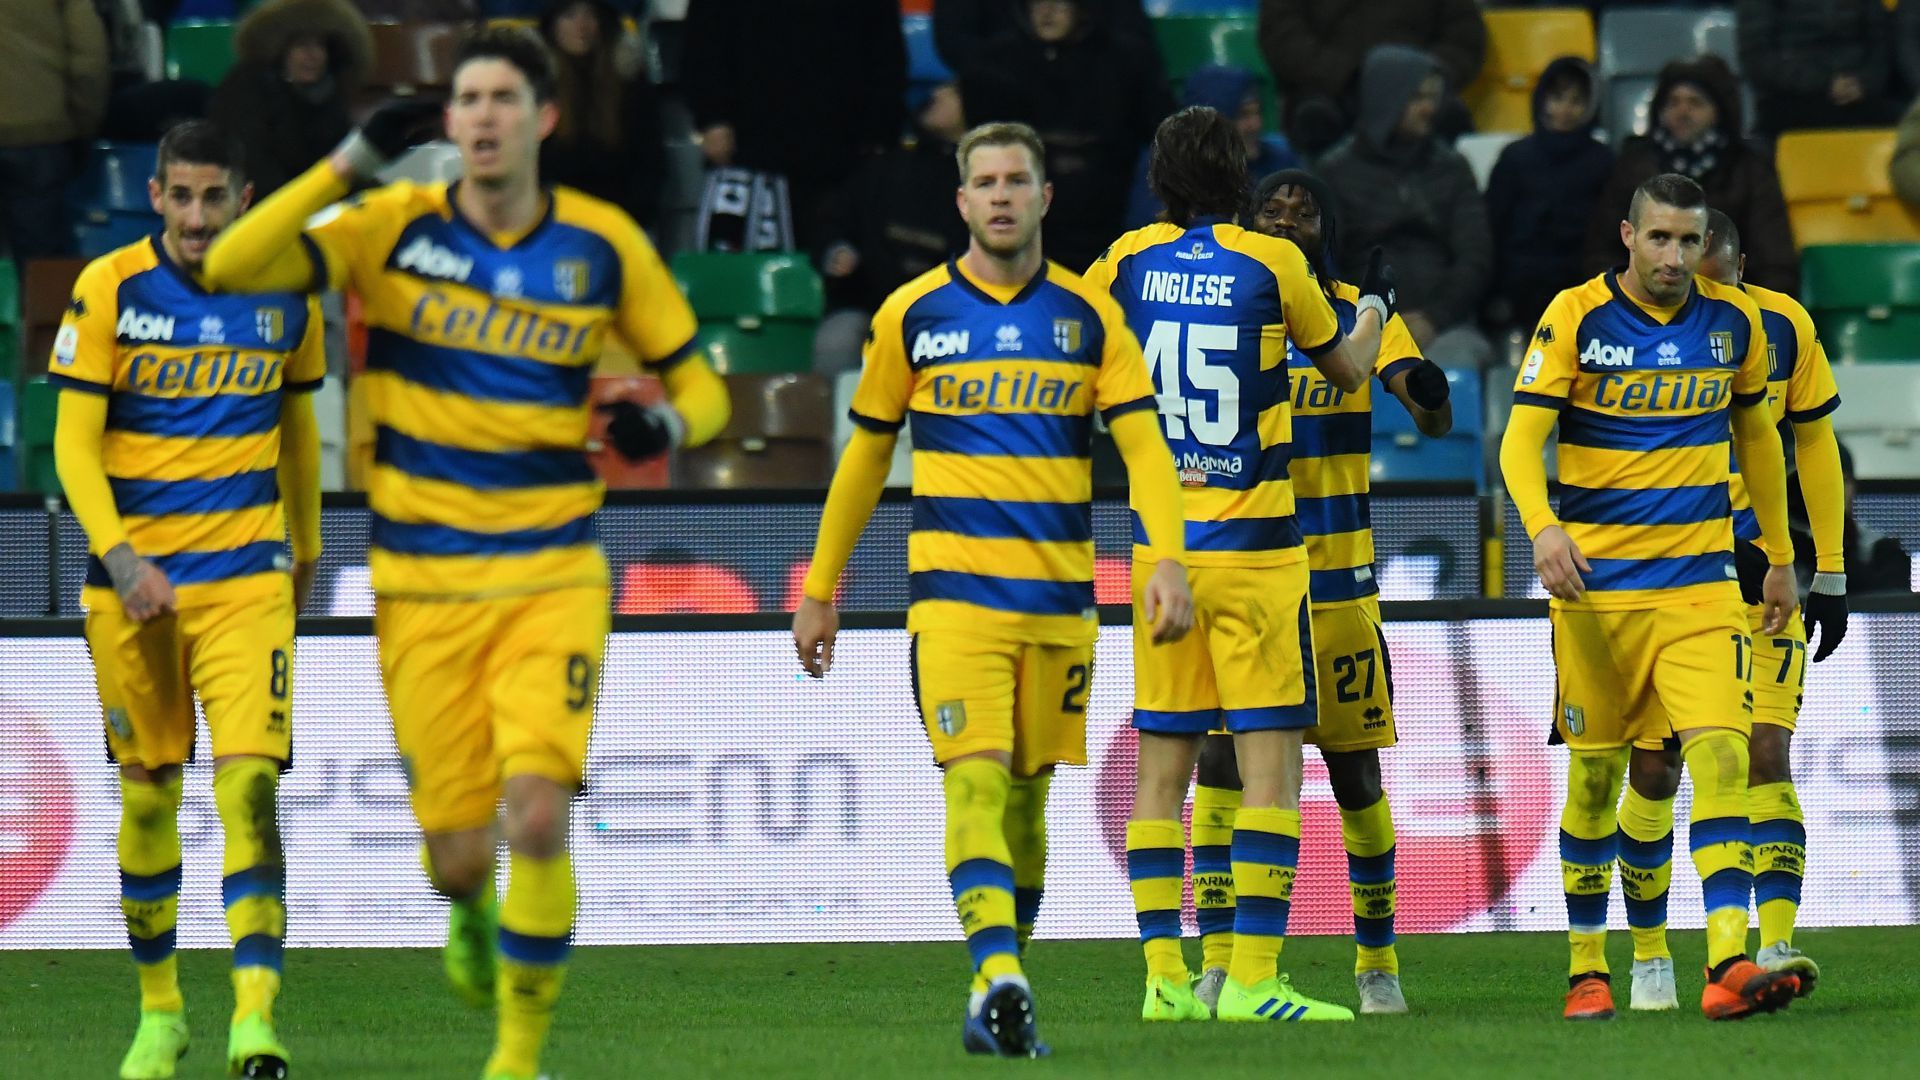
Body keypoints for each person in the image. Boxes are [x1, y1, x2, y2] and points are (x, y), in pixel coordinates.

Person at [203, 28, 732, 1080]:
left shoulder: (601, 244)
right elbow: (228, 264)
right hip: (420, 584)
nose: (481, 115)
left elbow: (706, 388)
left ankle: (516, 1058)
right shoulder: (387, 225)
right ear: (448, 125)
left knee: (538, 811)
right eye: (466, 99)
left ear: (541, 119)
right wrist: (349, 160)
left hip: (552, 574)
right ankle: (467, 908)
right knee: (457, 858)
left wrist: (663, 428)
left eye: (501, 98)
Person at [791, 120, 1194, 1057]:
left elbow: (1144, 447)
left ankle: (992, 997)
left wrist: (1165, 557)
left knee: (1026, 802)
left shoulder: (1091, 321)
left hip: (1060, 607)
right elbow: (865, 456)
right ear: (962, 201)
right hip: (953, 604)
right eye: (986, 181)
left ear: (1045, 198)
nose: (1003, 194)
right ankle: (1003, 974)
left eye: (1019, 179)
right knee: (971, 781)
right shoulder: (912, 315)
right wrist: (821, 585)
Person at [1084, 108, 1401, 1024]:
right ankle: (1256, 981)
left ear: (1159, 177)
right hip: (1258, 553)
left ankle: (1164, 983)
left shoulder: (1126, 261)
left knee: (1161, 774)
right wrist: (1375, 309)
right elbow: (1344, 373)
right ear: (1240, 178)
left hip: (1161, 558)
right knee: (1269, 772)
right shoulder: (1275, 264)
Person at [51, 119, 324, 1080]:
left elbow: (297, 429)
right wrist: (123, 561)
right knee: (150, 796)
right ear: (156, 195)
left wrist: (310, 544)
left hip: (246, 582)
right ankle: (160, 1012)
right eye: (181, 196)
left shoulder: (289, 290)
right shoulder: (110, 289)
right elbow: (74, 446)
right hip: (131, 592)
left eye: (216, 196)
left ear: (245, 198)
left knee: (250, 786)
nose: (197, 216)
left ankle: (256, 1019)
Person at [1500, 172, 1805, 1023]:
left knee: (1722, 758)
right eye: (1662, 238)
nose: (1678, 256)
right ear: (1629, 238)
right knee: (1597, 781)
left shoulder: (1734, 323)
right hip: (1598, 595)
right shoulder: (1576, 316)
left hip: (1702, 585)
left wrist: (1778, 556)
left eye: (1690, 239)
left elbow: (1760, 441)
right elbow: (1520, 444)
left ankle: (1726, 963)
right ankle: (1586, 967)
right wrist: (1541, 527)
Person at [1172, 165, 1452, 1018]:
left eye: (1305, 211)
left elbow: (1425, 410)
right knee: (1219, 763)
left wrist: (1431, 391)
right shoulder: (1223, 302)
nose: (1288, 220)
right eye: (1273, 209)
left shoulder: (1358, 311)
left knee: (1354, 775)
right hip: (1246, 576)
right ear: (1248, 218)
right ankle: (1224, 962)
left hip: (1336, 586)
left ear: (1326, 228)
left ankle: (1377, 962)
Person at [1595, 207, 1847, 1014]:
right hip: (1659, 577)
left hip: (1761, 577)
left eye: (1714, 273)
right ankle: (1646, 954)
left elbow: (1814, 443)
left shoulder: (1781, 326)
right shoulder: (1623, 325)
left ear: (1731, 262)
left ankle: (1763, 946)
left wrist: (1829, 570)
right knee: (1655, 768)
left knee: (1761, 754)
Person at [959, 0, 1174, 271]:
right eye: (1038, 3)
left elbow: (1160, 132)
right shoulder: (994, 63)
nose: (1047, 11)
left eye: (1058, 2)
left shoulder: (1126, 60)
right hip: (1026, 217)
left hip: (1105, 211)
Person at [1317, 45, 1493, 369]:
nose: (1430, 109)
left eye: (1433, 98)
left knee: (1449, 373)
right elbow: (1323, 264)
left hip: (1444, 329)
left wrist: (1434, 318)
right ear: (1386, 99)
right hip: (1358, 328)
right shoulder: (1334, 173)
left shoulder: (1451, 167)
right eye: (1417, 98)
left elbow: (1476, 256)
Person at [683, 0, 905, 252]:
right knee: (749, 269)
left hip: (843, 152)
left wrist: (879, 132)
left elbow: (886, 51)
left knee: (840, 267)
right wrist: (713, 117)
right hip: (750, 151)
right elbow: (702, 44)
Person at [1584, 55, 1798, 295]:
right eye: (1673, 103)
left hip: (1726, 308)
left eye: (1695, 103)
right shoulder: (1634, 165)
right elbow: (1601, 252)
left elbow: (1774, 262)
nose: (1682, 111)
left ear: (1719, 111)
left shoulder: (1749, 169)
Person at [813, 78, 974, 377]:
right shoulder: (885, 165)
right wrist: (837, 249)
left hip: (949, 315)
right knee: (837, 341)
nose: (936, 93)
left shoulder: (985, 181)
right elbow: (835, 219)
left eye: (952, 92)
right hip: (867, 305)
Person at [1485, 56, 1615, 335]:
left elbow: (1608, 233)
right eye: (1557, 98)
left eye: (1576, 100)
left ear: (1591, 106)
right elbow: (1493, 227)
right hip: (1519, 291)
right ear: (1541, 99)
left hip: (1583, 289)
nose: (1565, 109)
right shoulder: (1515, 159)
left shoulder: (1603, 162)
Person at [1256, 0, 1484, 156]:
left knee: (1451, 115)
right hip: (1331, 90)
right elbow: (1282, 37)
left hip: (1416, 88)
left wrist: (1415, 77)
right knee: (1313, 117)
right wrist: (1350, 77)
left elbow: (1464, 39)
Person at [208, 0, 373, 200]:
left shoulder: (330, 97)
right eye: (302, 45)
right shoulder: (246, 88)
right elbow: (253, 168)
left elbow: (343, 166)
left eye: (319, 45)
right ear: (280, 50)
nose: (312, 55)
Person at [1121, 64, 1300, 231]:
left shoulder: (1280, 160)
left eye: (1257, 111)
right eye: (1242, 115)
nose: (1256, 124)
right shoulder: (1165, 165)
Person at [538, 0, 664, 233]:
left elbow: (649, 162)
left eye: (591, 16)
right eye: (569, 16)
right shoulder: (537, 89)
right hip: (555, 226)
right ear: (552, 25)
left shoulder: (629, 83)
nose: (581, 26)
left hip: (622, 222)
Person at [0, 0, 109, 258]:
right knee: (40, 265)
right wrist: (84, 123)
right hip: (37, 135)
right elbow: (89, 58)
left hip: (38, 137)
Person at [1738, 0, 1901, 136]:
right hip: (1790, 97)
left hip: (1860, 94)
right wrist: (1824, 83)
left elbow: (1880, 42)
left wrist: (1865, 81)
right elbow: (1757, 59)